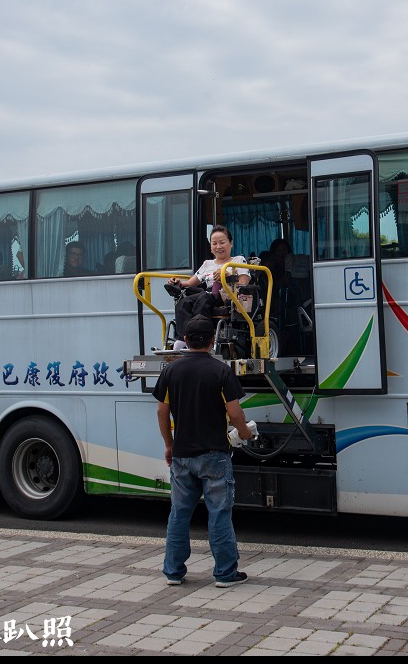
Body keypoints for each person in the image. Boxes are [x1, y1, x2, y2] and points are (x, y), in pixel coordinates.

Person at [153, 314, 254, 588]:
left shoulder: (171, 371)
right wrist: (245, 434)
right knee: (219, 513)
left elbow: (162, 412)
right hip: (214, 456)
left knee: (179, 514)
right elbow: (235, 413)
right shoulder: (221, 371)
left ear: (185, 341)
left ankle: (173, 572)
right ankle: (224, 573)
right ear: (213, 341)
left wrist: (169, 445)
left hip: (182, 456)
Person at [168, 225, 250, 341]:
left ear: (231, 243)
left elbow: (244, 282)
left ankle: (201, 339)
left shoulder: (238, 261)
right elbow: (191, 283)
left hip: (227, 295)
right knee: (183, 303)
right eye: (214, 243)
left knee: (202, 300)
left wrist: (227, 276)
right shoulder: (207, 264)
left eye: (222, 242)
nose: (218, 247)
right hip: (208, 293)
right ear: (211, 247)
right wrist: (178, 282)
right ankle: (184, 339)